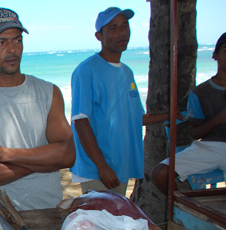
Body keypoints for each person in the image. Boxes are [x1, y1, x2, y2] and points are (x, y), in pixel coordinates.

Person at [0, 7, 75, 211]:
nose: (12, 49)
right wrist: (44, 160)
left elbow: (67, 155)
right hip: (0, 219)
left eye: (18, 40)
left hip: (52, 212)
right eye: (2, 42)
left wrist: (8, 155)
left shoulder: (49, 93)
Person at [70, 7, 170, 196]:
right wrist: (102, 167)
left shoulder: (126, 72)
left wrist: (169, 115)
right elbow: (80, 121)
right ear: (99, 36)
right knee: (98, 222)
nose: (122, 33)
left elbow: (134, 117)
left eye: (125, 26)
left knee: (114, 221)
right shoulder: (87, 70)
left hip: (121, 167)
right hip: (99, 171)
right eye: (113, 28)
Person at [151, 32, 226, 194]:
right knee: (160, 173)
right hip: (209, 148)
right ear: (216, 55)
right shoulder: (201, 92)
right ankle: (189, 205)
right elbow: (195, 133)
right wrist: (218, 120)